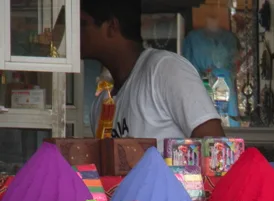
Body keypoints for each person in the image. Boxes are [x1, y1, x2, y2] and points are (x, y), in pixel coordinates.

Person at [79, 0, 225, 145]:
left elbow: (214, 145)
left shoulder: (166, 70)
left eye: (83, 24)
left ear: (112, 26)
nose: (75, 33)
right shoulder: (100, 107)